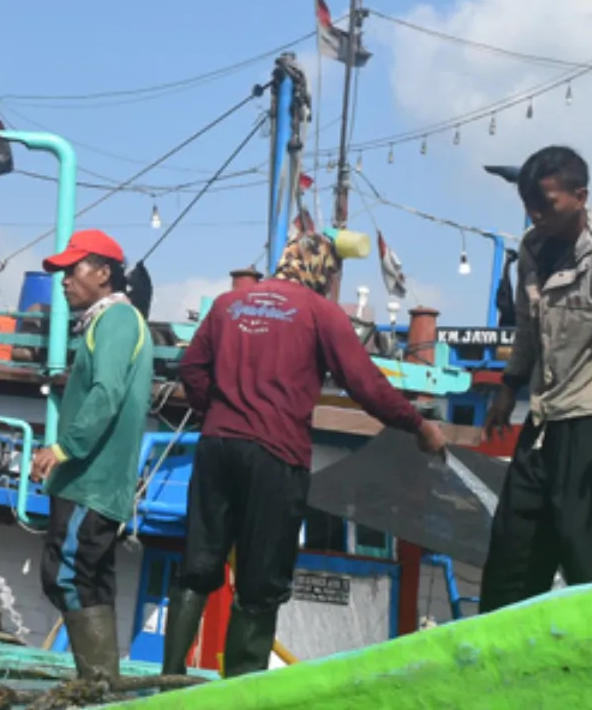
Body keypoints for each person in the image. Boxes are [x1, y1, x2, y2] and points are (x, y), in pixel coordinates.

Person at [172, 231, 449, 677]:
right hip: (275, 456)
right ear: (324, 271)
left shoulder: (228, 305)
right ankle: (239, 695)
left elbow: (191, 368)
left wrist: (218, 413)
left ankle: (168, 680)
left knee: (197, 568)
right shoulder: (320, 313)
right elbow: (365, 384)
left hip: (216, 448)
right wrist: (416, 424)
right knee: (259, 585)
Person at [481, 146, 592, 612]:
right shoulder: (531, 249)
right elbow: (527, 328)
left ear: (580, 196)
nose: (535, 214)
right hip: (542, 421)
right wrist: (508, 385)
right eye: (528, 204)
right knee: (511, 560)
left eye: (546, 204)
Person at [27, 229, 155, 682]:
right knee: (91, 579)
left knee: (67, 575)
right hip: (93, 482)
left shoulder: (117, 321)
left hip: (92, 482)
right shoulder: (107, 322)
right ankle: (102, 683)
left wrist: (64, 447)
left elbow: (107, 393)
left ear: (103, 274)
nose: (64, 281)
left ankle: (97, 685)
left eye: (72, 270)